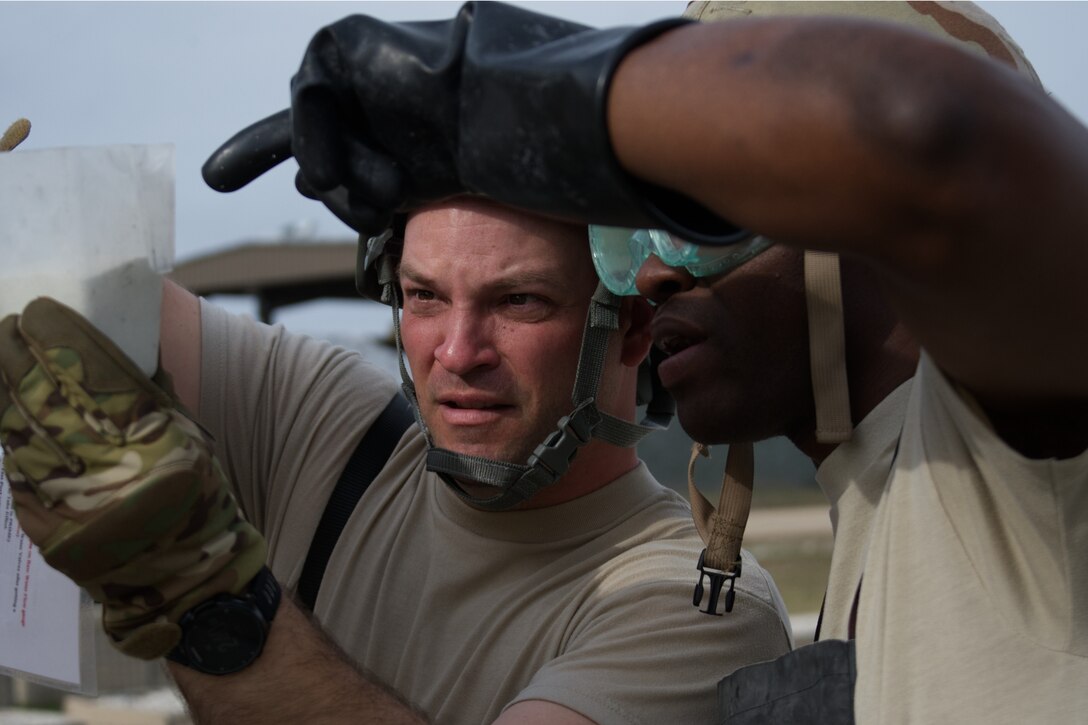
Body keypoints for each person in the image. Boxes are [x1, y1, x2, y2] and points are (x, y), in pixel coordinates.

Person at [185, 1, 1087, 721]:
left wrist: (515, 89)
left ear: (862, 223)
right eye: (637, 230)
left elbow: (942, 134)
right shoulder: (885, 500)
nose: (652, 273)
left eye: (705, 214)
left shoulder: (1001, 462)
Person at [0, 186, 793, 722]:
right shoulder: (340, 430)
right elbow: (65, 284)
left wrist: (197, 596)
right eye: (424, 296)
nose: (456, 350)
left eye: (518, 300)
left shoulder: (699, 608)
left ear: (633, 329)